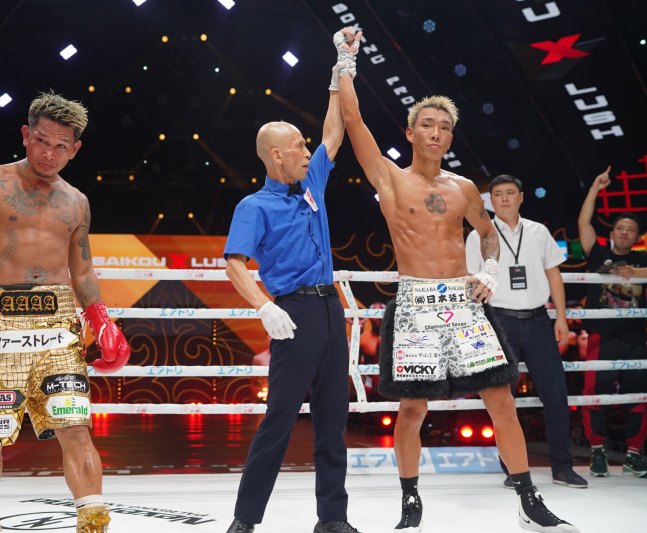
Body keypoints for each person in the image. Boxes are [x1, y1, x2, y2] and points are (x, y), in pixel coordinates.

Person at [338, 34, 578, 532]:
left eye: (445, 127)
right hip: (416, 303)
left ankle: (528, 498)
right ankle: (410, 499)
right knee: (411, 410)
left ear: (450, 137)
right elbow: (353, 120)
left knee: (502, 401)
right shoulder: (389, 178)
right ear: (410, 132)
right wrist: (346, 60)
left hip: (463, 303)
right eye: (428, 124)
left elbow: (488, 235)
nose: (436, 132)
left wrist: (488, 271)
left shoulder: (465, 187)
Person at [0, 91, 130, 533]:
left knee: (75, 425)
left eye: (61, 145)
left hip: (57, 322)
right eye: (42, 141)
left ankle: (93, 522)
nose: (49, 153)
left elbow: (82, 270)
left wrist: (100, 319)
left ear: (74, 149)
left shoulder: (77, 201)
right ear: (26, 135)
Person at [221, 29, 362, 533]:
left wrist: (338, 70)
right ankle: (245, 520)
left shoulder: (311, 183)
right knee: (279, 419)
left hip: (330, 312)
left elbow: (333, 134)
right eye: (298, 146)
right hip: (294, 313)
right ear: (277, 155)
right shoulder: (253, 206)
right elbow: (235, 264)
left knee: (332, 422)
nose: (308, 151)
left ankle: (333, 520)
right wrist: (265, 306)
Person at [466, 174, 587, 489]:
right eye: (498, 194)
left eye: (510, 192)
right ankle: (513, 470)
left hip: (538, 320)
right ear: (490, 200)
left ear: (521, 197)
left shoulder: (538, 232)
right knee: (501, 400)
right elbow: (471, 280)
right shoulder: (479, 235)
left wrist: (561, 318)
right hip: (498, 321)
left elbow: (554, 274)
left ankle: (562, 467)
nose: (505, 198)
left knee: (556, 395)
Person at [577, 165, 647, 478]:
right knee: (594, 396)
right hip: (601, 336)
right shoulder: (598, 254)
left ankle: (634, 455)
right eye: (620, 227)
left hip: (636, 338)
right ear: (612, 232)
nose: (624, 232)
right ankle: (597, 452)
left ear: (637, 237)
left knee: (639, 398)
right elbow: (583, 223)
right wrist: (595, 189)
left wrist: (637, 273)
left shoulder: (642, 261)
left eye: (630, 229)